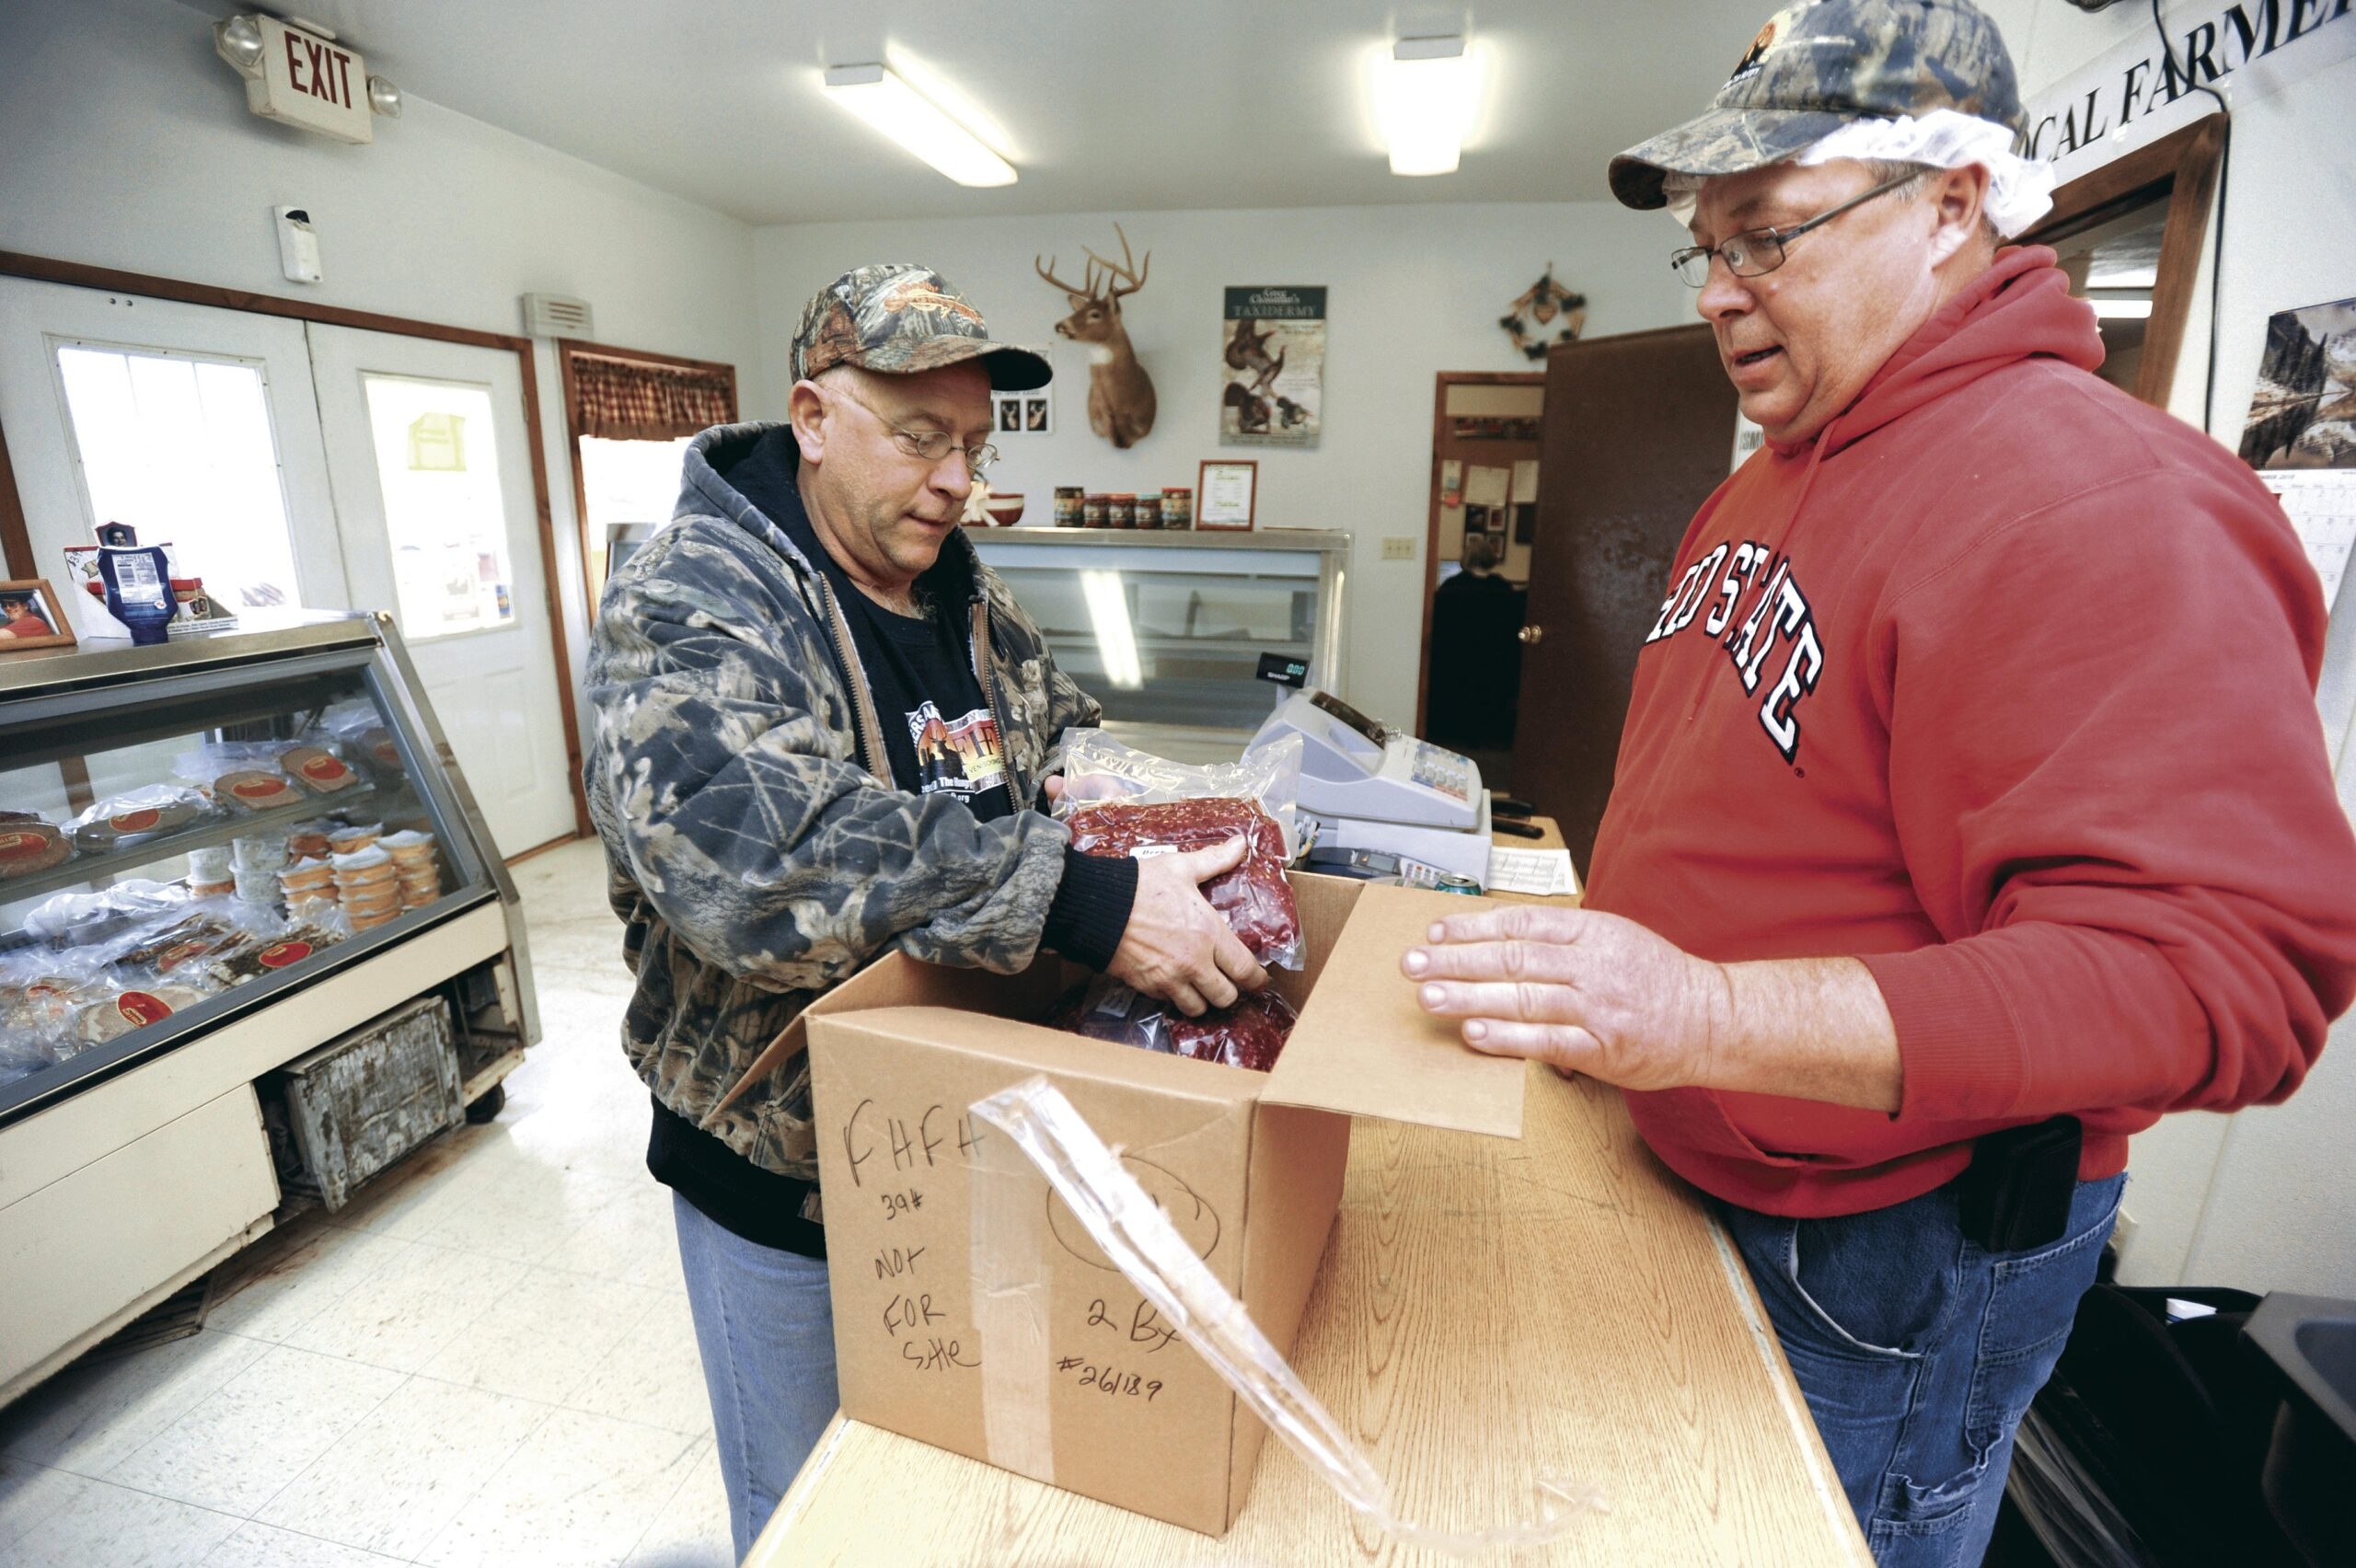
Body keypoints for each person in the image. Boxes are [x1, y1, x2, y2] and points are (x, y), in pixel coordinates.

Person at [1403, 3, 2356, 1561]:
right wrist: (1623, 1003)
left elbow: (2229, 978)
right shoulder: (1765, 476)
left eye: (1769, 236)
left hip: (1884, 1263)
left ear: (1954, 203)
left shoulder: (2101, 500)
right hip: (1700, 1171)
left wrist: (1704, 1014)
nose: (1721, 294)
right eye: (1705, 250)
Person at [584, 264, 1268, 1560]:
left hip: (959, 1147)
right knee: (807, 1523)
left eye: (971, 442)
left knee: (946, 1506)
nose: (958, 479)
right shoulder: (689, 595)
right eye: (919, 437)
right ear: (813, 414)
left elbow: (1055, 738)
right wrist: (1076, 893)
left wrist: (1138, 812)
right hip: (777, 1182)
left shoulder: (960, 586)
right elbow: (751, 860)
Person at [1424, 532, 1523, 756]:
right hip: (1494, 668)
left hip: (1454, 666)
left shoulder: (1449, 592)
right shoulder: (1505, 593)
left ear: (1465, 560)